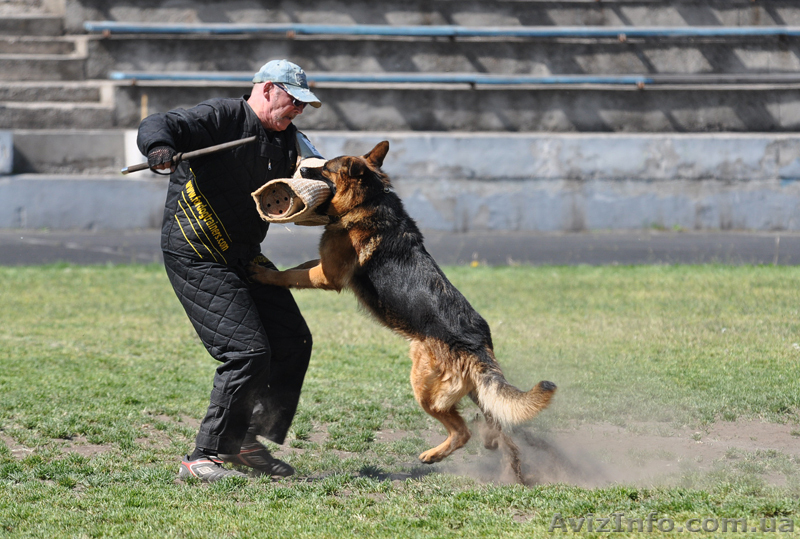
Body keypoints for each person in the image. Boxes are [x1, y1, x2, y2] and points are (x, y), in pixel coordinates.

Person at [136, 59, 324, 482]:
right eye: (293, 102)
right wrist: (158, 149)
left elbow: (319, 173)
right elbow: (159, 122)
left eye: (303, 106)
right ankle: (202, 457)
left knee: (293, 340)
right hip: (195, 250)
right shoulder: (220, 117)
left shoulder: (292, 140)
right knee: (247, 352)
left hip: (242, 253)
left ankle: (245, 439)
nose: (298, 111)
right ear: (267, 89)